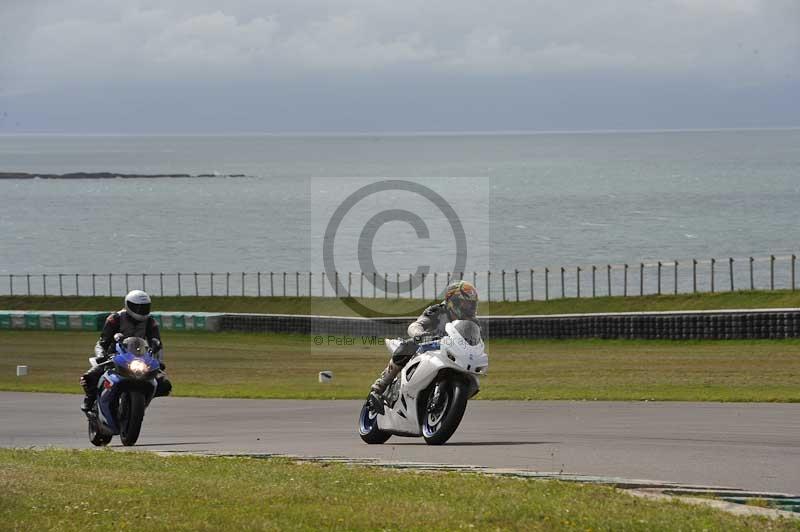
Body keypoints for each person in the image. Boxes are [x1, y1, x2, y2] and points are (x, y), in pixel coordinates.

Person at [369, 280, 479, 406]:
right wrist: (420, 334)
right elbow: (416, 325)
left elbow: (475, 341)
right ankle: (382, 384)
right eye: (466, 304)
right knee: (408, 345)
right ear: (453, 302)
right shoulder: (438, 310)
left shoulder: (473, 322)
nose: (470, 308)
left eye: (472, 305)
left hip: (451, 353)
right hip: (426, 346)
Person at [80, 290, 172, 412]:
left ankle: (140, 403)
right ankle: (90, 398)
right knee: (89, 377)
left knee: (165, 384)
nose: (141, 310)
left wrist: (158, 361)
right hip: (114, 356)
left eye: (144, 307)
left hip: (139, 358)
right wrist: (102, 355)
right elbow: (102, 342)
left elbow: (157, 343)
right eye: (137, 307)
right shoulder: (115, 319)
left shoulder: (150, 322)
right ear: (128, 305)